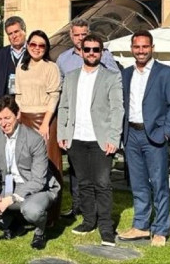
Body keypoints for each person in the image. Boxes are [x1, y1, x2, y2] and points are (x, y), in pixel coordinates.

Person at [0, 96, 61, 250]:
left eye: (7, 118)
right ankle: (13, 225)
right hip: (9, 186)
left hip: (36, 188)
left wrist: (9, 199)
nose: (3, 123)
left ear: (17, 115)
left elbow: (38, 181)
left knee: (31, 210)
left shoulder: (35, 139)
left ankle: (40, 232)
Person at [57, 34, 123, 246]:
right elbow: (64, 107)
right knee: (84, 183)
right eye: (88, 49)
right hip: (76, 138)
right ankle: (88, 221)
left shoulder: (111, 77)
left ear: (101, 52)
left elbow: (117, 109)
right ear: (81, 52)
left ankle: (106, 227)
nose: (92, 53)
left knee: (102, 184)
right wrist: (62, 133)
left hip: (100, 140)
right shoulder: (71, 77)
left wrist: (114, 137)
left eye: (96, 49)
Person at [117, 30, 170, 247]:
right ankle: (141, 225)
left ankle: (161, 229)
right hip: (131, 134)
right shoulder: (126, 73)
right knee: (138, 184)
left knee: (159, 184)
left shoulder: (166, 73)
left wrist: (166, 132)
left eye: (145, 46)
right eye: (137, 47)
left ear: (152, 48)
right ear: (131, 49)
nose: (141, 50)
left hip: (154, 135)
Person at [15, 29, 62, 225]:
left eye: (41, 45)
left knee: (50, 165)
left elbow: (54, 96)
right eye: (33, 44)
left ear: (46, 48)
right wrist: (18, 119)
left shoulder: (51, 67)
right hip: (24, 119)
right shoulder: (21, 67)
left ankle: (51, 215)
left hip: (45, 120)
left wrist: (45, 123)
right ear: (27, 46)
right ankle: (27, 209)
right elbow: (18, 96)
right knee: (26, 166)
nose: (37, 48)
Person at [0, 16, 27, 104]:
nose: (14, 36)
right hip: (6, 105)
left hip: (27, 104)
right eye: (10, 33)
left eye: (16, 31)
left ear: (24, 31)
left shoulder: (34, 52)